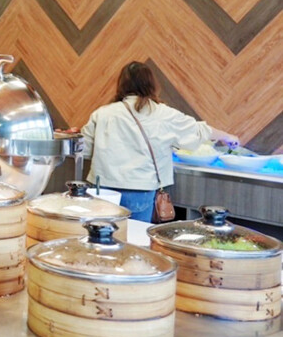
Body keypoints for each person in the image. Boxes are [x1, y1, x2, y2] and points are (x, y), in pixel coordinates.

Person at [81, 62, 238, 222]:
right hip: (141, 189)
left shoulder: (102, 113)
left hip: (102, 188)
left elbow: (84, 149)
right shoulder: (163, 114)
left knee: (101, 233)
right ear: (151, 84)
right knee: (135, 235)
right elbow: (197, 131)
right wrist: (227, 137)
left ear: (122, 85)